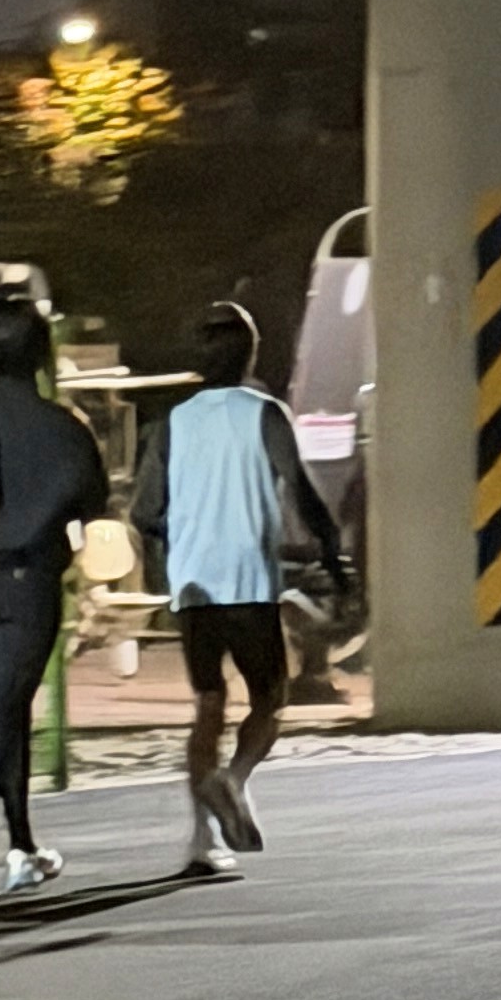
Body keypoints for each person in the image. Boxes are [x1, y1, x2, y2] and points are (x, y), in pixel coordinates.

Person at [129, 298, 349, 875]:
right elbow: (300, 491)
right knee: (269, 698)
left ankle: (201, 842)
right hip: (249, 579)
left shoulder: (172, 422)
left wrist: (179, 543)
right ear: (251, 353)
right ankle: (235, 777)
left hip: (194, 584)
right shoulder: (266, 413)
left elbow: (145, 511)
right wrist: (332, 554)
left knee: (207, 705)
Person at [0, 293, 111, 904]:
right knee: (9, 705)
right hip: (31, 580)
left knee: (4, 706)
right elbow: (92, 504)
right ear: (41, 350)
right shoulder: (65, 428)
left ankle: (21, 846)